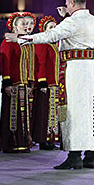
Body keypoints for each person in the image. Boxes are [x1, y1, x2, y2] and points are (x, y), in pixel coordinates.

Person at [6, 0, 94, 169]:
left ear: (72, 3)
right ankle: (91, 155)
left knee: (72, 110)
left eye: (67, 3)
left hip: (74, 69)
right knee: (91, 109)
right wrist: (65, 18)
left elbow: (51, 35)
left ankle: (74, 155)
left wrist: (22, 38)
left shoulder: (72, 21)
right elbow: (72, 33)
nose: (66, 6)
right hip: (89, 69)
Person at [0, 13, 32, 153]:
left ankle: (22, 142)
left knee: (23, 114)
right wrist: (7, 82)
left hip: (23, 84)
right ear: (14, 27)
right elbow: (5, 63)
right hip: (13, 84)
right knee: (13, 114)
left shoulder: (23, 43)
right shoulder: (8, 42)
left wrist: (29, 83)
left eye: (26, 24)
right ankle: (12, 143)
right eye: (23, 24)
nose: (26, 26)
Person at [32, 16, 60, 150]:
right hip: (46, 85)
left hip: (55, 84)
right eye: (50, 27)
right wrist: (42, 81)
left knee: (53, 114)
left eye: (55, 27)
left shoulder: (56, 44)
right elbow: (40, 63)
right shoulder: (42, 43)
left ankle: (52, 138)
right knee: (45, 113)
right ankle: (43, 140)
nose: (53, 30)